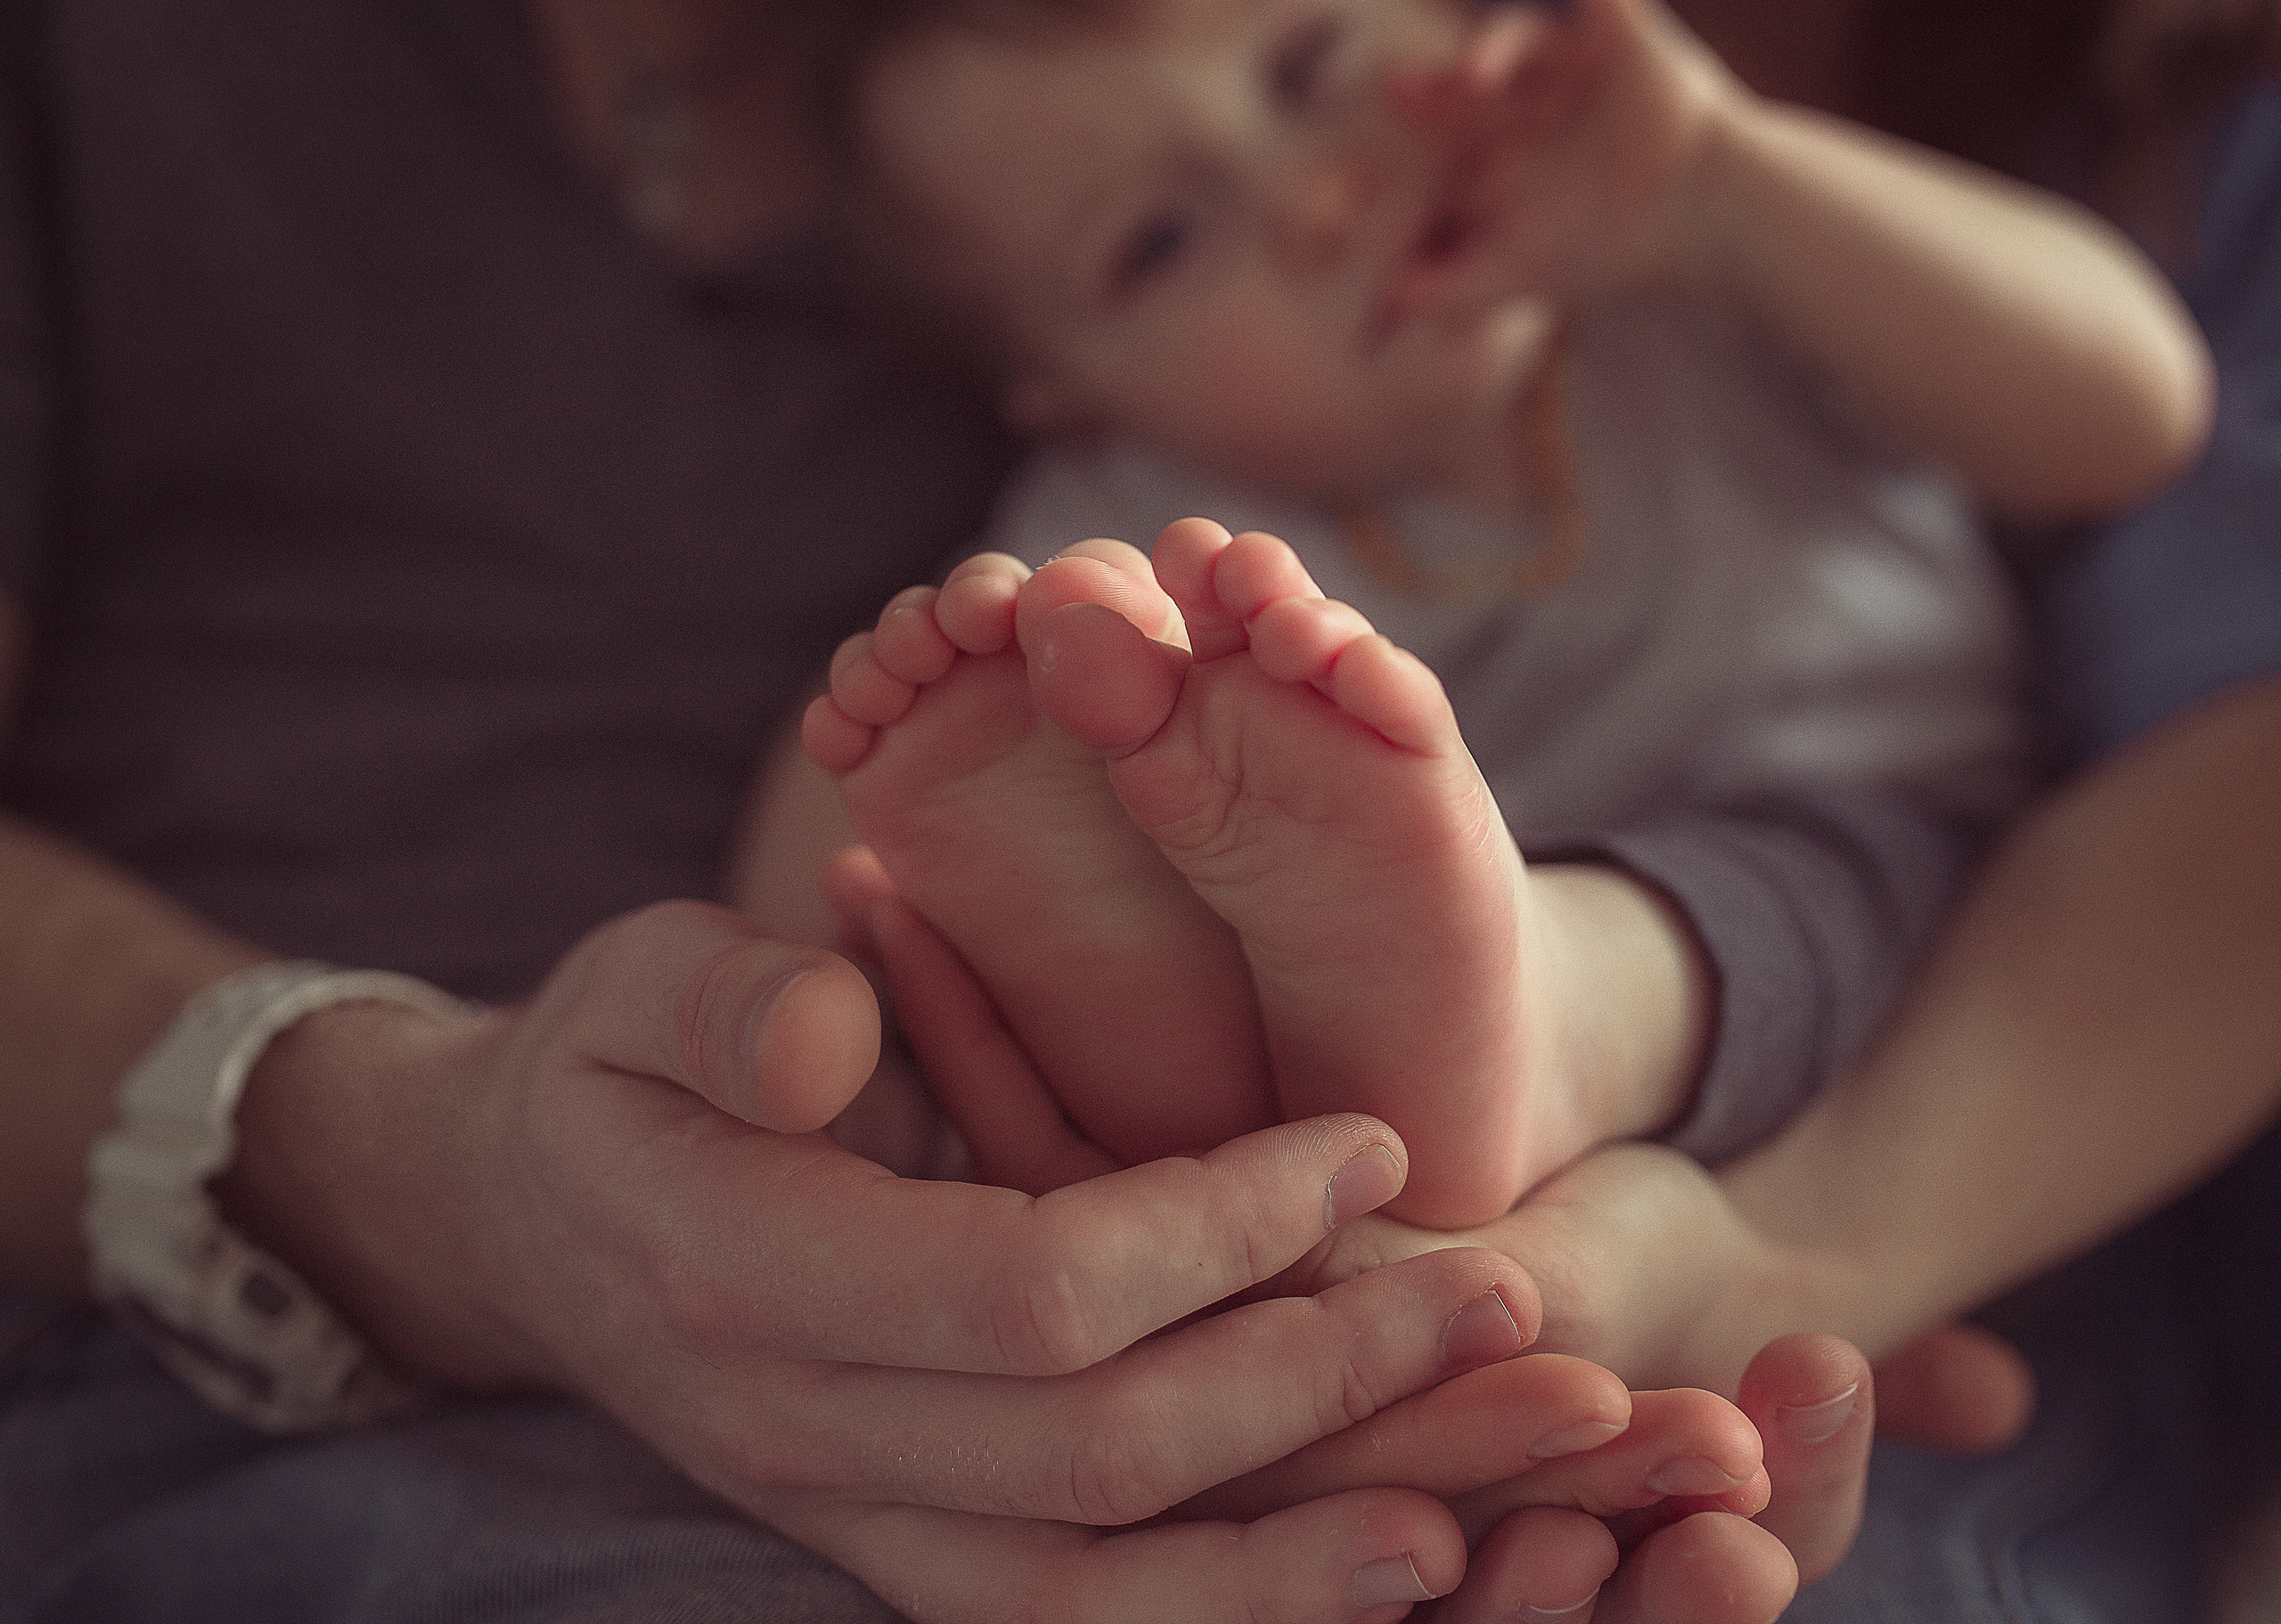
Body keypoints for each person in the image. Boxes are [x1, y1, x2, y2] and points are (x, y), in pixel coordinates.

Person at [0, 1, 1881, 1620]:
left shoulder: (1189, 119)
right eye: (1157, 243)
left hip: (1041, 1267)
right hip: (256, 1309)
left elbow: (2074, 614)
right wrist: (425, 1174)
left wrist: (1792, 1240)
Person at [783, 0, 2207, 1228]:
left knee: (1782, 894)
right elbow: (885, 767)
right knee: (1090, 756)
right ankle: (1184, 1077)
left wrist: (1723, 182)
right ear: (1063, 387)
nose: (1318, 201)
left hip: (1909, 958)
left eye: (1309, 66)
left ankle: (1515, 1034)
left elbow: (2136, 416)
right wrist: (812, 1002)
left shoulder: (1693, 275)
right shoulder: (1136, 522)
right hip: (1456, 1117)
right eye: (1159, 245)